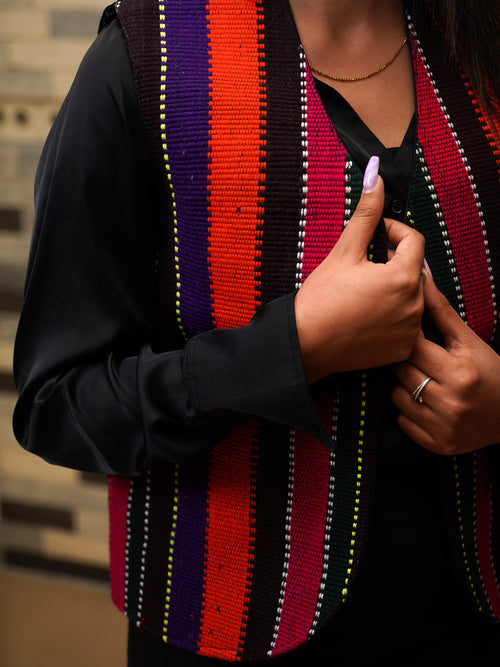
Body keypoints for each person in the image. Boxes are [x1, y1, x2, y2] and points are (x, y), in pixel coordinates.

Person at [12, 0, 500, 664]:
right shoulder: (144, 59)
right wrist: (291, 349)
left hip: (472, 608)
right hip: (223, 620)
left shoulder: (481, 41)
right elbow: (59, 402)